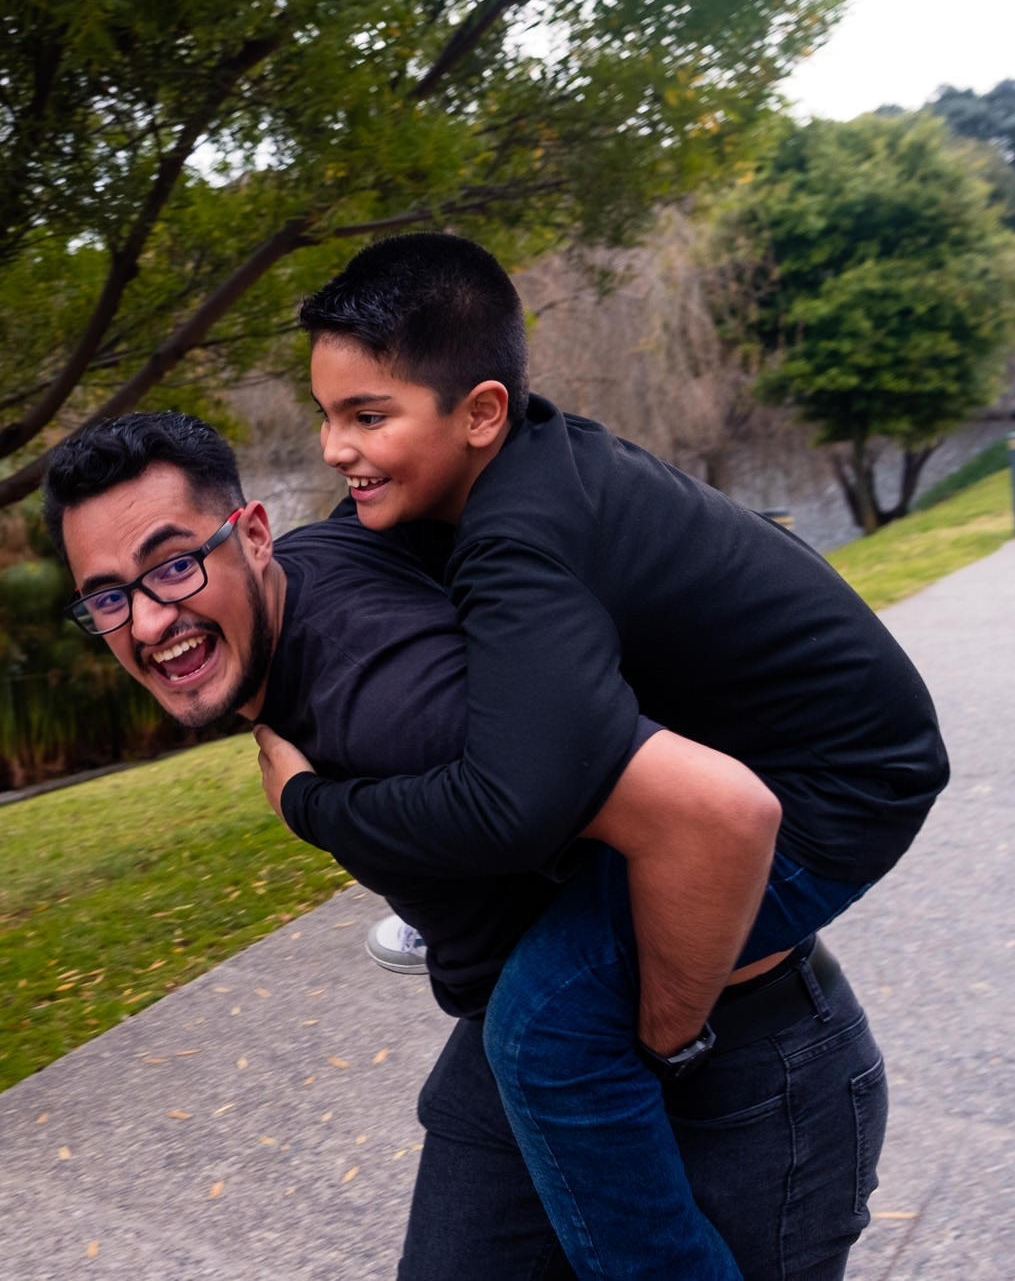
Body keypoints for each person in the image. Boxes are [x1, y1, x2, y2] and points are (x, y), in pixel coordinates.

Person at [42, 413, 889, 1278]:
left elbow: (721, 816)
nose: (148, 622)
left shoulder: (395, 706)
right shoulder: (325, 555)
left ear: (253, 535)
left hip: (740, 1075)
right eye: (108, 596)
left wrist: (662, 1045)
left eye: (173, 565)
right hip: (528, 1041)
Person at [258, 232, 948, 1278]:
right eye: (325, 415)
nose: (332, 449)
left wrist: (311, 803)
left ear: (480, 411)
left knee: (541, 1026)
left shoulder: (517, 535)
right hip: (799, 749)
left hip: (837, 795)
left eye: (366, 417)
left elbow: (512, 804)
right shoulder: (521, 469)